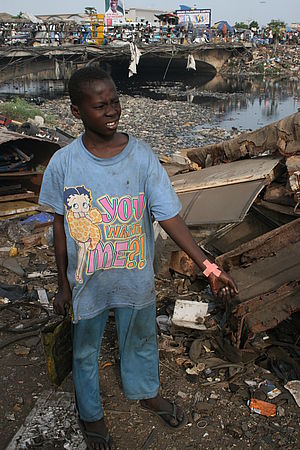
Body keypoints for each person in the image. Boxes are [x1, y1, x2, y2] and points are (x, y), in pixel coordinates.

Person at [39, 67, 238, 450]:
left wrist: (208, 267)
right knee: (84, 350)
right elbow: (59, 228)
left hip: (134, 278)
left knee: (141, 340)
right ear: (76, 111)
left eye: (115, 101)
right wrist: (62, 285)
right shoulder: (64, 164)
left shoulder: (142, 157)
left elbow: (169, 216)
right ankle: (92, 415)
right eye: (100, 105)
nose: (112, 111)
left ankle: (145, 391)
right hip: (88, 282)